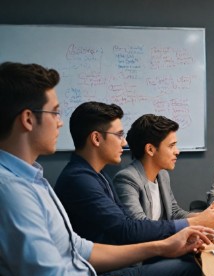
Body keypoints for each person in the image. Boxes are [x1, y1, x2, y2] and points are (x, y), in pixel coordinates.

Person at [0, 61, 214, 276]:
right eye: (54, 113)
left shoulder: (34, 180)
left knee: (199, 275)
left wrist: (163, 246)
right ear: (28, 119)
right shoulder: (14, 192)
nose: (59, 123)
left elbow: (79, 248)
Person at [54, 102, 193, 245]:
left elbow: (126, 224)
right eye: (119, 135)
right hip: (108, 265)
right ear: (96, 138)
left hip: (121, 259)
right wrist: (187, 225)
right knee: (190, 267)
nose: (124, 142)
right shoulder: (79, 180)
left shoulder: (100, 176)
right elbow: (126, 230)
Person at [113, 113, 214, 227]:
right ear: (150, 149)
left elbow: (174, 213)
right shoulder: (126, 179)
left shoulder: (162, 174)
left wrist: (202, 216)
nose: (177, 151)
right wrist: (196, 222)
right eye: (171, 146)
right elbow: (139, 224)